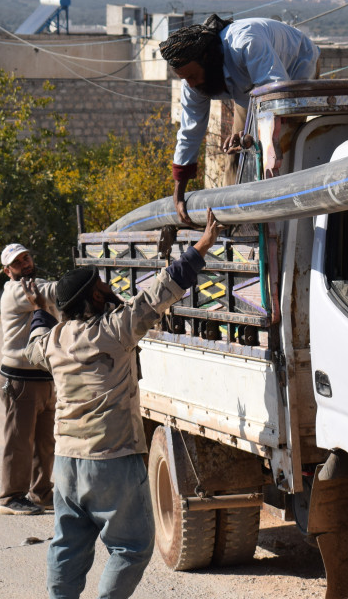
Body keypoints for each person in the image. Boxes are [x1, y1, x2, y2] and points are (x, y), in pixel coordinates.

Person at [24, 213, 222, 599]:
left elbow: (33, 341)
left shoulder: (53, 342)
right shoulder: (115, 329)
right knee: (130, 548)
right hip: (113, 459)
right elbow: (162, 290)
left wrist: (37, 309)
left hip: (66, 463)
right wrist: (201, 246)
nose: (107, 286)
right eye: (101, 284)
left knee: (67, 544)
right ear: (95, 297)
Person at [161, 15, 319, 225]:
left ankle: (280, 222)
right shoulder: (192, 81)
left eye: (192, 77)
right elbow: (190, 132)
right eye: (184, 79)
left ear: (207, 59)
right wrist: (178, 194)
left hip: (293, 72)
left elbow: (276, 100)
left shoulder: (247, 42)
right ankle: (229, 222)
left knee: (276, 148)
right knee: (235, 155)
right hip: (251, 91)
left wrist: (249, 135)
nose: (191, 84)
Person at [0, 243, 59, 516]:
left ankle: (41, 493)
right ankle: (10, 498)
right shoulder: (17, 291)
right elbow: (54, 292)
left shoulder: (34, 286)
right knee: (20, 441)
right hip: (20, 379)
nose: (25, 264)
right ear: (7, 271)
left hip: (43, 377)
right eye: (17, 262)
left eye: (26, 258)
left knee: (45, 442)